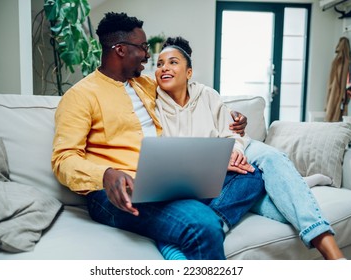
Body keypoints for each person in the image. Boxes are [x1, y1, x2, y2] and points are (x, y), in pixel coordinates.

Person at [51, 12, 265, 260]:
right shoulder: (80, 96)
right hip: (116, 193)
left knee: (253, 175)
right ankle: (199, 225)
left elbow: (190, 93)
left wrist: (233, 116)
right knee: (202, 224)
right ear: (120, 49)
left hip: (166, 181)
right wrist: (106, 174)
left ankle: (181, 229)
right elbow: (63, 159)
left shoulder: (145, 85)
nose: (148, 55)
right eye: (142, 47)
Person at [154, 36, 345, 260]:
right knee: (262, 186)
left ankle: (333, 254)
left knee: (270, 161)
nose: (164, 67)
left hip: (232, 151)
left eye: (173, 62)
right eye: (159, 64)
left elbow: (231, 132)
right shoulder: (151, 104)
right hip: (205, 170)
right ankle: (296, 183)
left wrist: (234, 151)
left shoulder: (207, 95)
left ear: (189, 72)